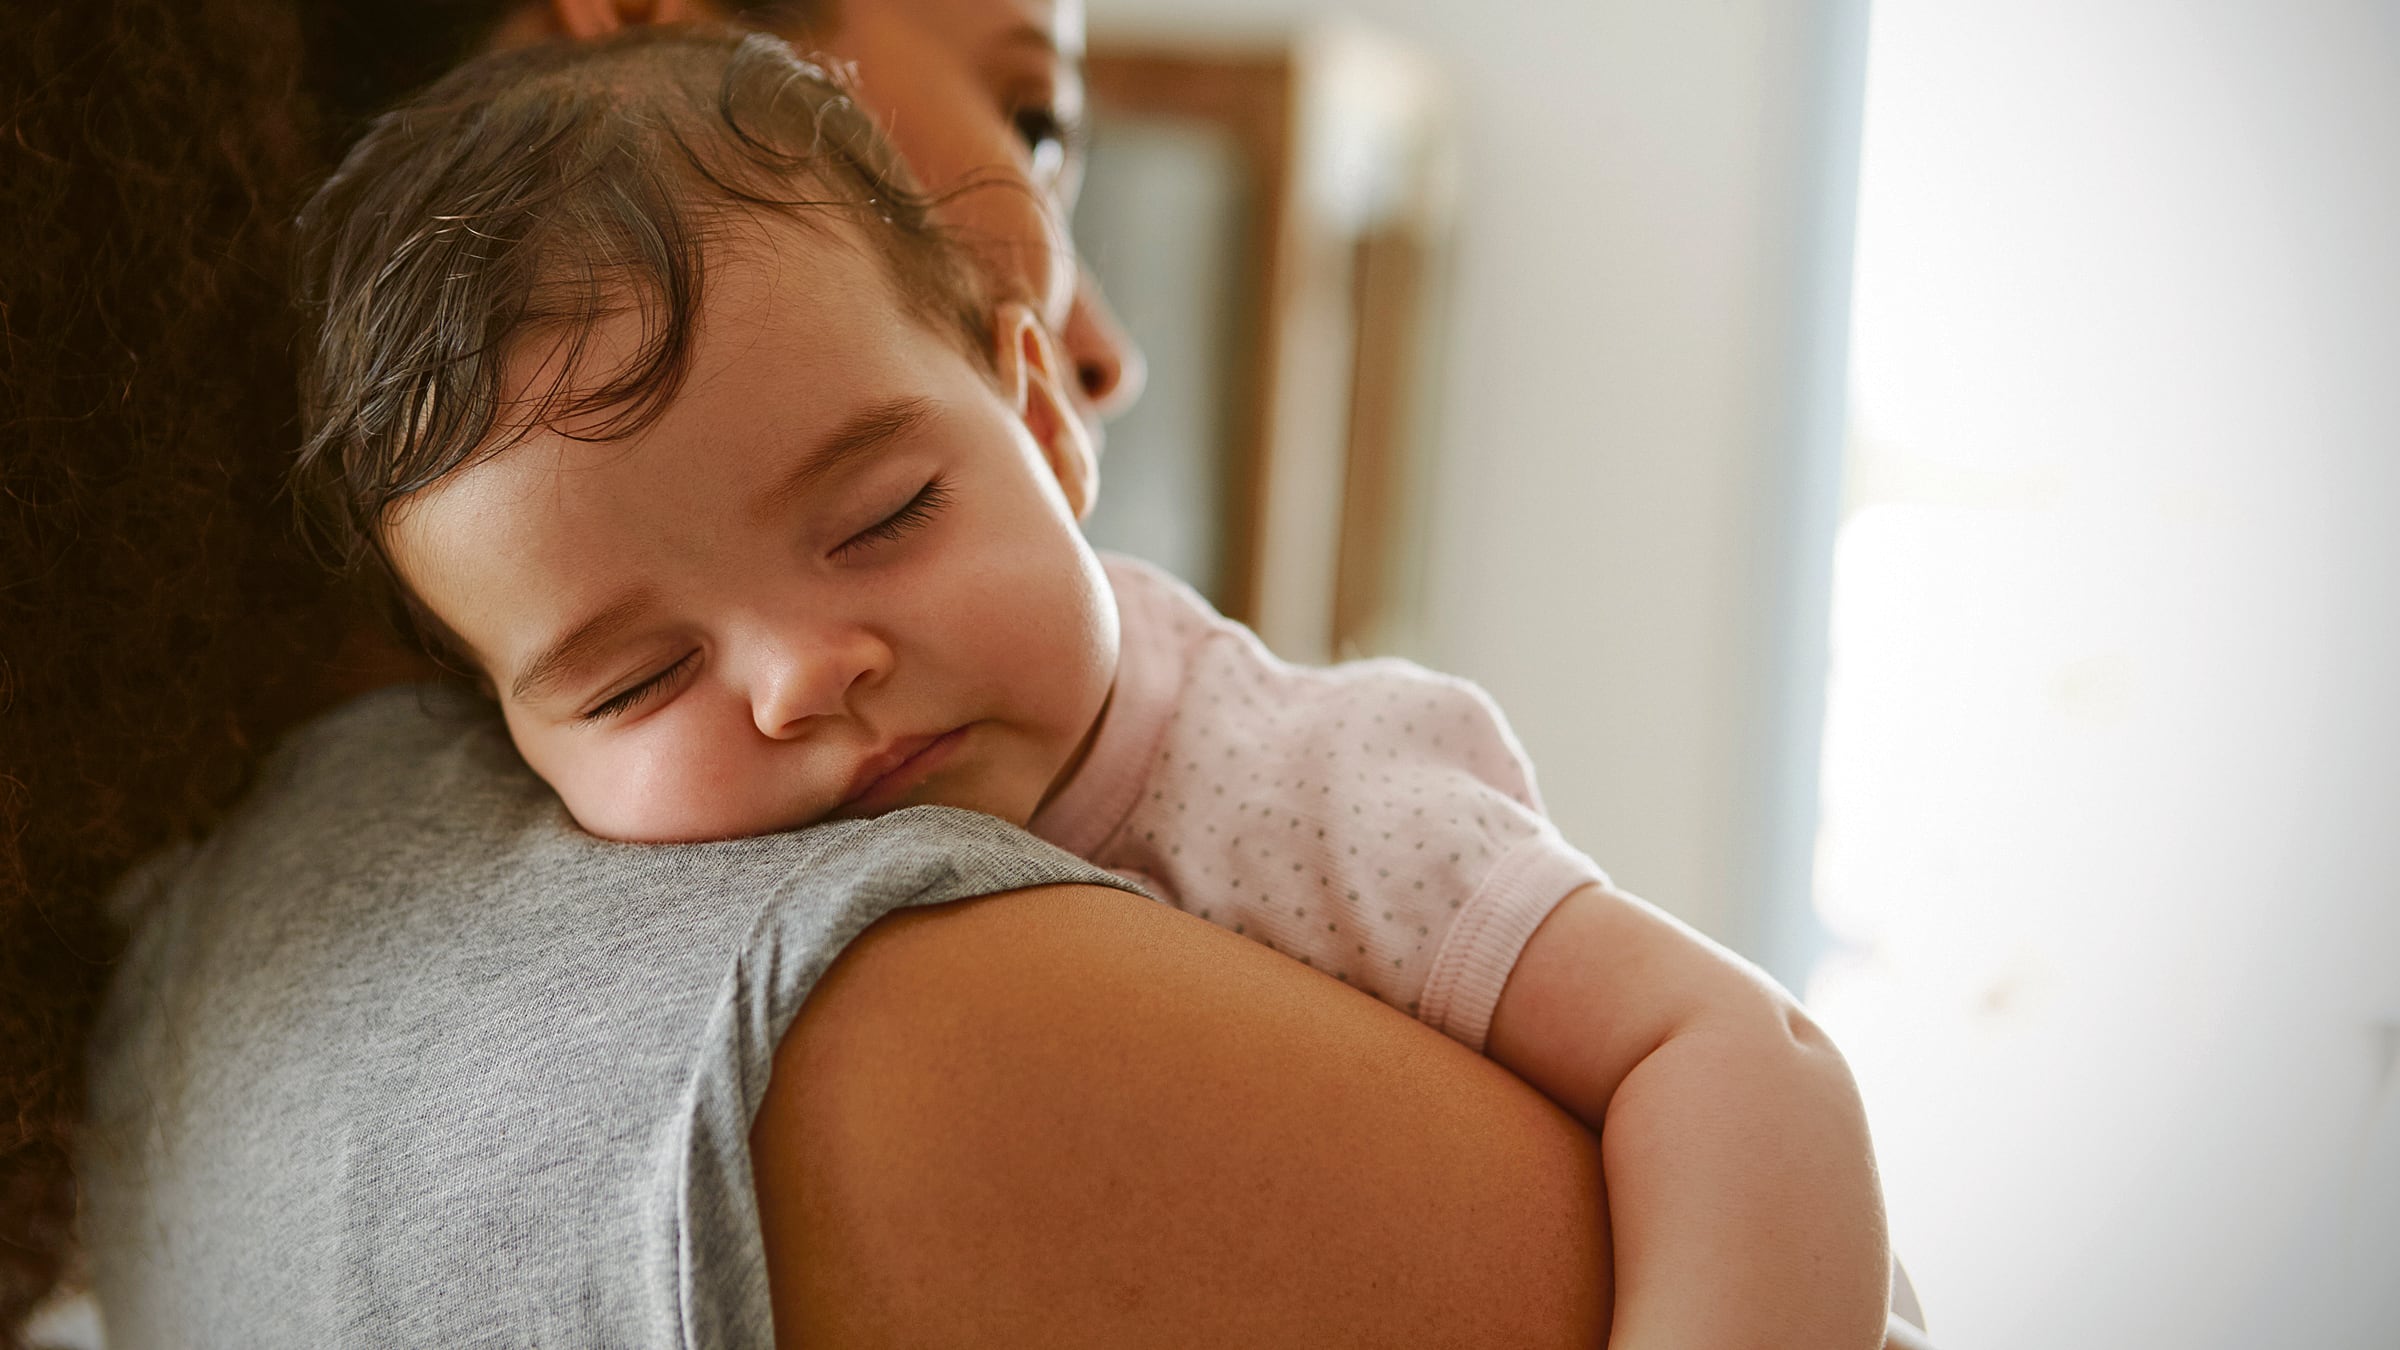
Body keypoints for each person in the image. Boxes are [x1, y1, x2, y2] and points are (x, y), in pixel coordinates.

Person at [291, 26, 1892, 1350]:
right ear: (505, 734)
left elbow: (1744, 1055)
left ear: (1043, 422)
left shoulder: (1298, 780)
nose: (797, 679)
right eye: (641, 680)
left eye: (881, 519)